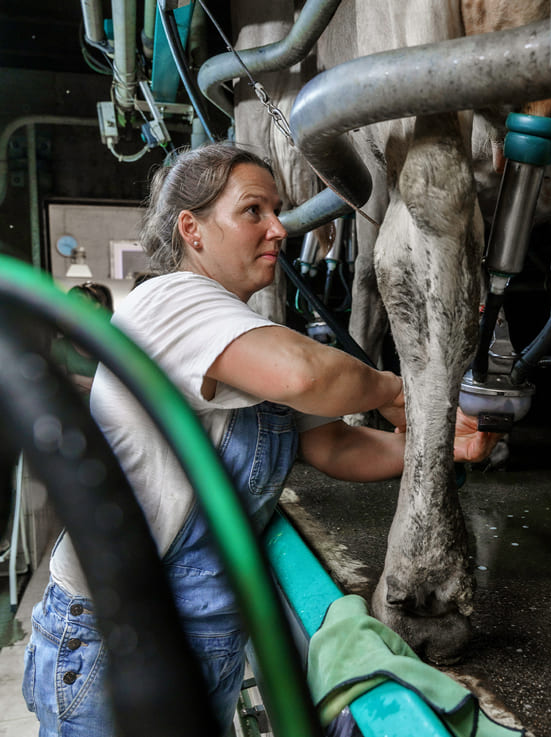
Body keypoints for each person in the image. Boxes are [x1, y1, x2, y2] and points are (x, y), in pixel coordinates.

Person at [23, 142, 500, 737]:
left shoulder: (244, 333)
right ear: (191, 229)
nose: (279, 228)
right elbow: (306, 376)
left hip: (200, 632)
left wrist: (433, 448)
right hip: (119, 634)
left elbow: (332, 447)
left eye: (277, 210)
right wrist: (397, 389)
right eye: (254, 211)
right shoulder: (167, 301)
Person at [50, 281, 114, 395]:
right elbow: (60, 390)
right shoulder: (60, 348)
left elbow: (117, 390)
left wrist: (75, 378)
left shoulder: (113, 349)